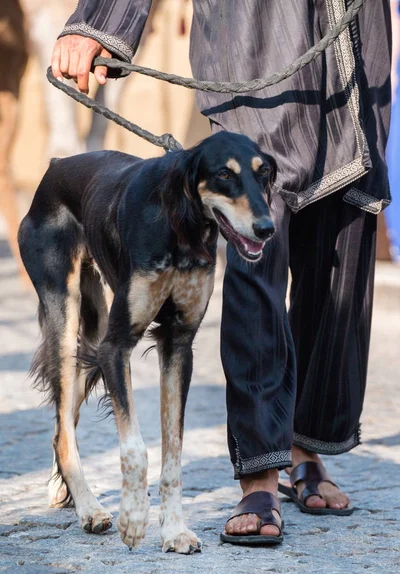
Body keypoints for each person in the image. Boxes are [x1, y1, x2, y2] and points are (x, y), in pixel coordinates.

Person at [52, 0, 392, 544]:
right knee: (255, 248)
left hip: (352, 48)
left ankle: (306, 445)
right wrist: (103, 21)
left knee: (340, 249)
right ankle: (260, 468)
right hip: (257, 37)